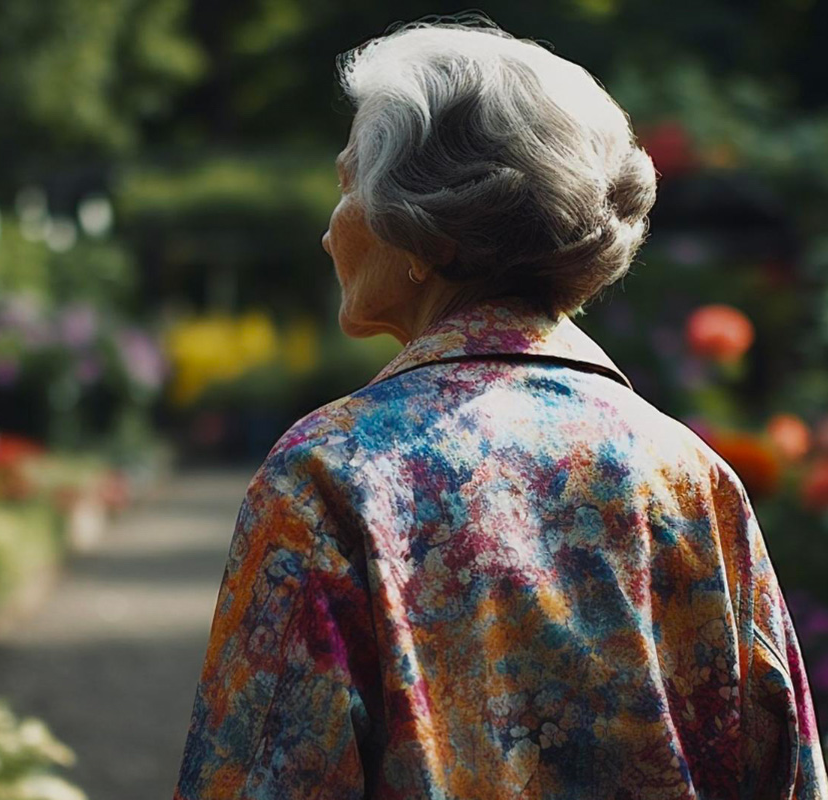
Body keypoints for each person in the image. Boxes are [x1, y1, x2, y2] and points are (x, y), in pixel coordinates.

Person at [172, 14, 828, 800]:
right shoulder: (689, 475)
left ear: (430, 233)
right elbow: (787, 774)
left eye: (349, 187)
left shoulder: (332, 473)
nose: (327, 233)